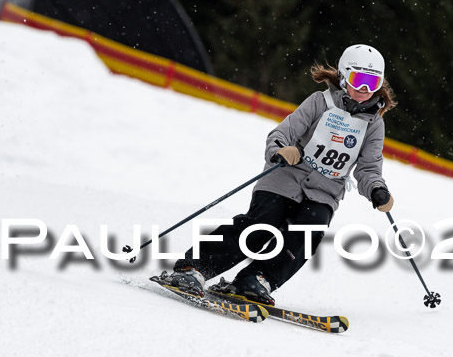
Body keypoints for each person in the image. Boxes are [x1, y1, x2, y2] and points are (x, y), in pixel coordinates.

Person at [163, 44, 397, 305]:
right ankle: (194, 268)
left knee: (310, 230)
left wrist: (377, 188)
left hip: (324, 191)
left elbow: (368, 168)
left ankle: (257, 279)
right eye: (359, 80)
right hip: (285, 177)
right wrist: (280, 151)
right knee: (263, 223)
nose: (365, 90)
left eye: (372, 82)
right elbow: (281, 134)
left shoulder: (374, 125)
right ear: (343, 76)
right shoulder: (320, 103)